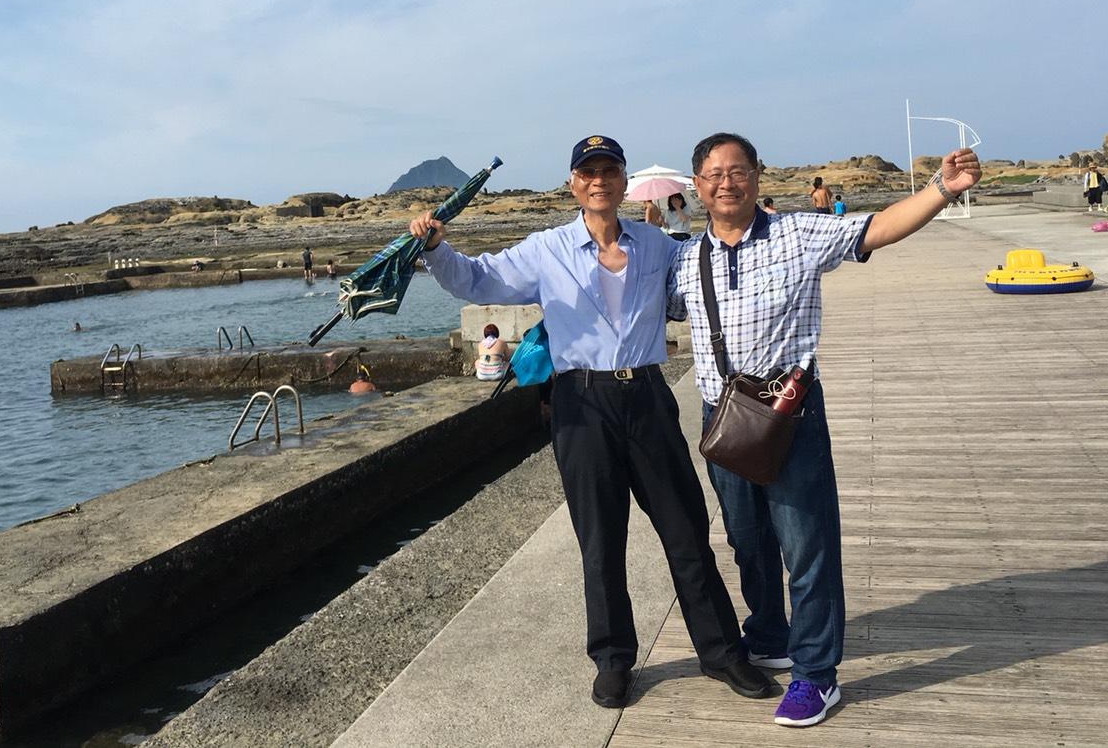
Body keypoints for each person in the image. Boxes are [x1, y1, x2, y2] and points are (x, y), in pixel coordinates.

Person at [409, 134, 773, 710]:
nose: (599, 180)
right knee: (600, 540)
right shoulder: (546, 248)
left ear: (624, 182)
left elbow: (708, 277)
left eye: (609, 170)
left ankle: (722, 652)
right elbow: (477, 280)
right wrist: (435, 248)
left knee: (685, 531)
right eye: (588, 172)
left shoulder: (657, 244)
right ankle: (612, 660)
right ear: (574, 184)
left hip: (647, 397)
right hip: (580, 403)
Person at [668, 132, 981, 728]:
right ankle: (769, 633)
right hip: (723, 419)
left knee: (807, 547)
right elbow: (636, 301)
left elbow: (879, 227)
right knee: (747, 541)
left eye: (738, 170)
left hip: (790, 417)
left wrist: (943, 188)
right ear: (697, 186)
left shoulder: (797, 234)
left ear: (757, 176)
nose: (727, 182)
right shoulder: (683, 259)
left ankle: (816, 675)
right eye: (714, 174)